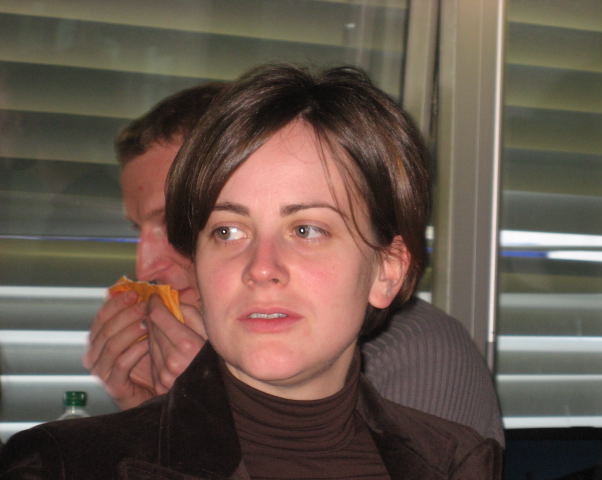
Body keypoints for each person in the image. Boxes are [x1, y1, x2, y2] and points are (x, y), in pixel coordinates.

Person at [0, 64, 502, 479]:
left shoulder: (453, 459)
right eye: (227, 231)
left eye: (306, 230)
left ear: (386, 271)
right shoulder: (57, 463)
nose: (261, 269)